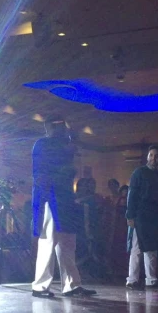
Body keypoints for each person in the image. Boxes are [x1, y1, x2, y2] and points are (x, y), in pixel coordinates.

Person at [30, 116, 96, 298]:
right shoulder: (43, 145)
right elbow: (42, 174)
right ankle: (40, 286)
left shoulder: (64, 146)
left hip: (65, 199)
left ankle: (72, 285)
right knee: (48, 241)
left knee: (67, 242)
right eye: (61, 128)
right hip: (51, 198)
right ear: (52, 128)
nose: (65, 131)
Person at [126, 145, 158, 289]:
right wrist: (130, 215)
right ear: (147, 157)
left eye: (156, 156)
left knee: (151, 246)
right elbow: (132, 194)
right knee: (137, 247)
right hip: (140, 214)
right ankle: (133, 279)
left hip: (153, 215)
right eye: (151, 155)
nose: (153, 158)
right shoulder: (139, 172)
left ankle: (150, 278)